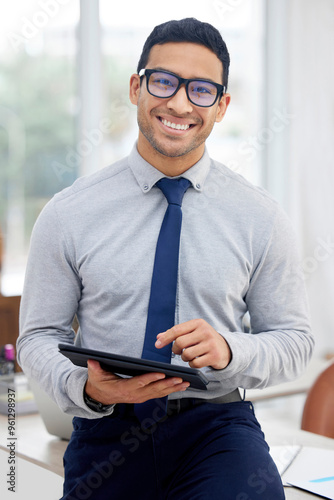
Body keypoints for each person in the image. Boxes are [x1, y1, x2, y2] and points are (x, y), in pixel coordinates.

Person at [17, 17, 314, 500]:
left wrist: (230, 350)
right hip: (106, 430)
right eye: (163, 82)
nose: (178, 103)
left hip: (215, 426)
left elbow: (295, 340)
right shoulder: (67, 213)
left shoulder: (261, 216)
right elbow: (36, 338)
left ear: (221, 106)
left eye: (200, 90)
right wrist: (89, 390)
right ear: (136, 87)